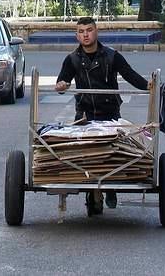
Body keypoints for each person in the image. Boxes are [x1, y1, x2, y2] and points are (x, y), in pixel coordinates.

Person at [56, 16, 149, 216]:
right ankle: (93, 195)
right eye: (81, 32)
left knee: (111, 154)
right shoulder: (72, 59)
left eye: (89, 30)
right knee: (88, 156)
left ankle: (111, 187)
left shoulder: (112, 56)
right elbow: (62, 81)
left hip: (110, 115)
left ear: (96, 32)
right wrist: (62, 86)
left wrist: (148, 85)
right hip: (85, 115)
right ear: (77, 35)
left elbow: (130, 75)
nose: (85, 35)